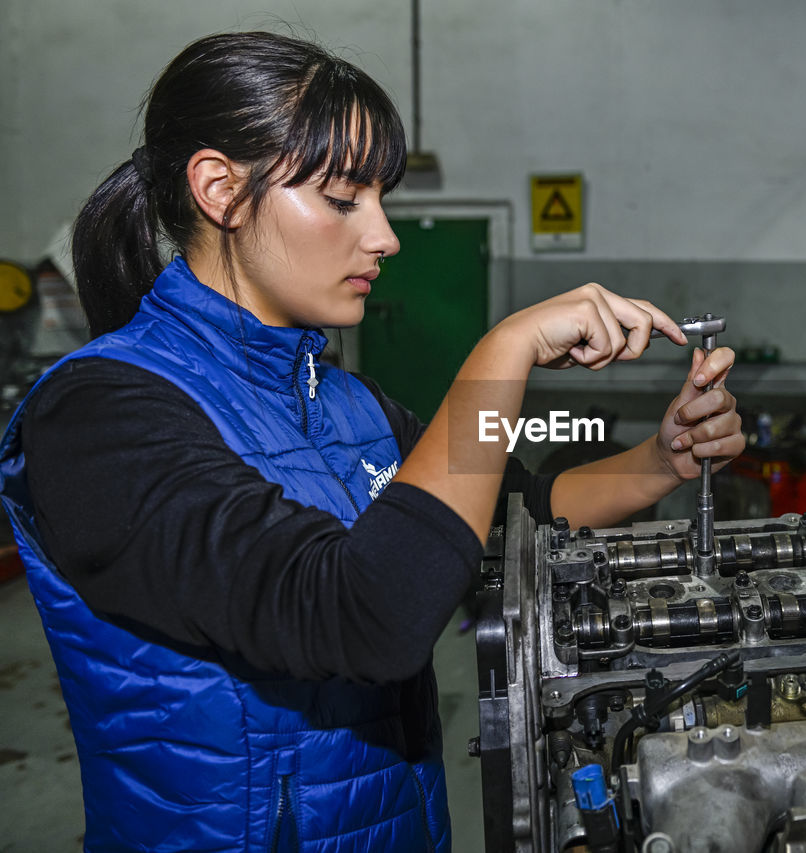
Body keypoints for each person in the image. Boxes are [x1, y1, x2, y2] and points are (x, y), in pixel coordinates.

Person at [0, 31, 743, 853]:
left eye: (380, 198)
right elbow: (363, 616)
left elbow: (517, 515)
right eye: (344, 199)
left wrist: (662, 458)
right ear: (219, 189)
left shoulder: (350, 403)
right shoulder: (99, 413)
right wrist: (504, 353)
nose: (385, 236)